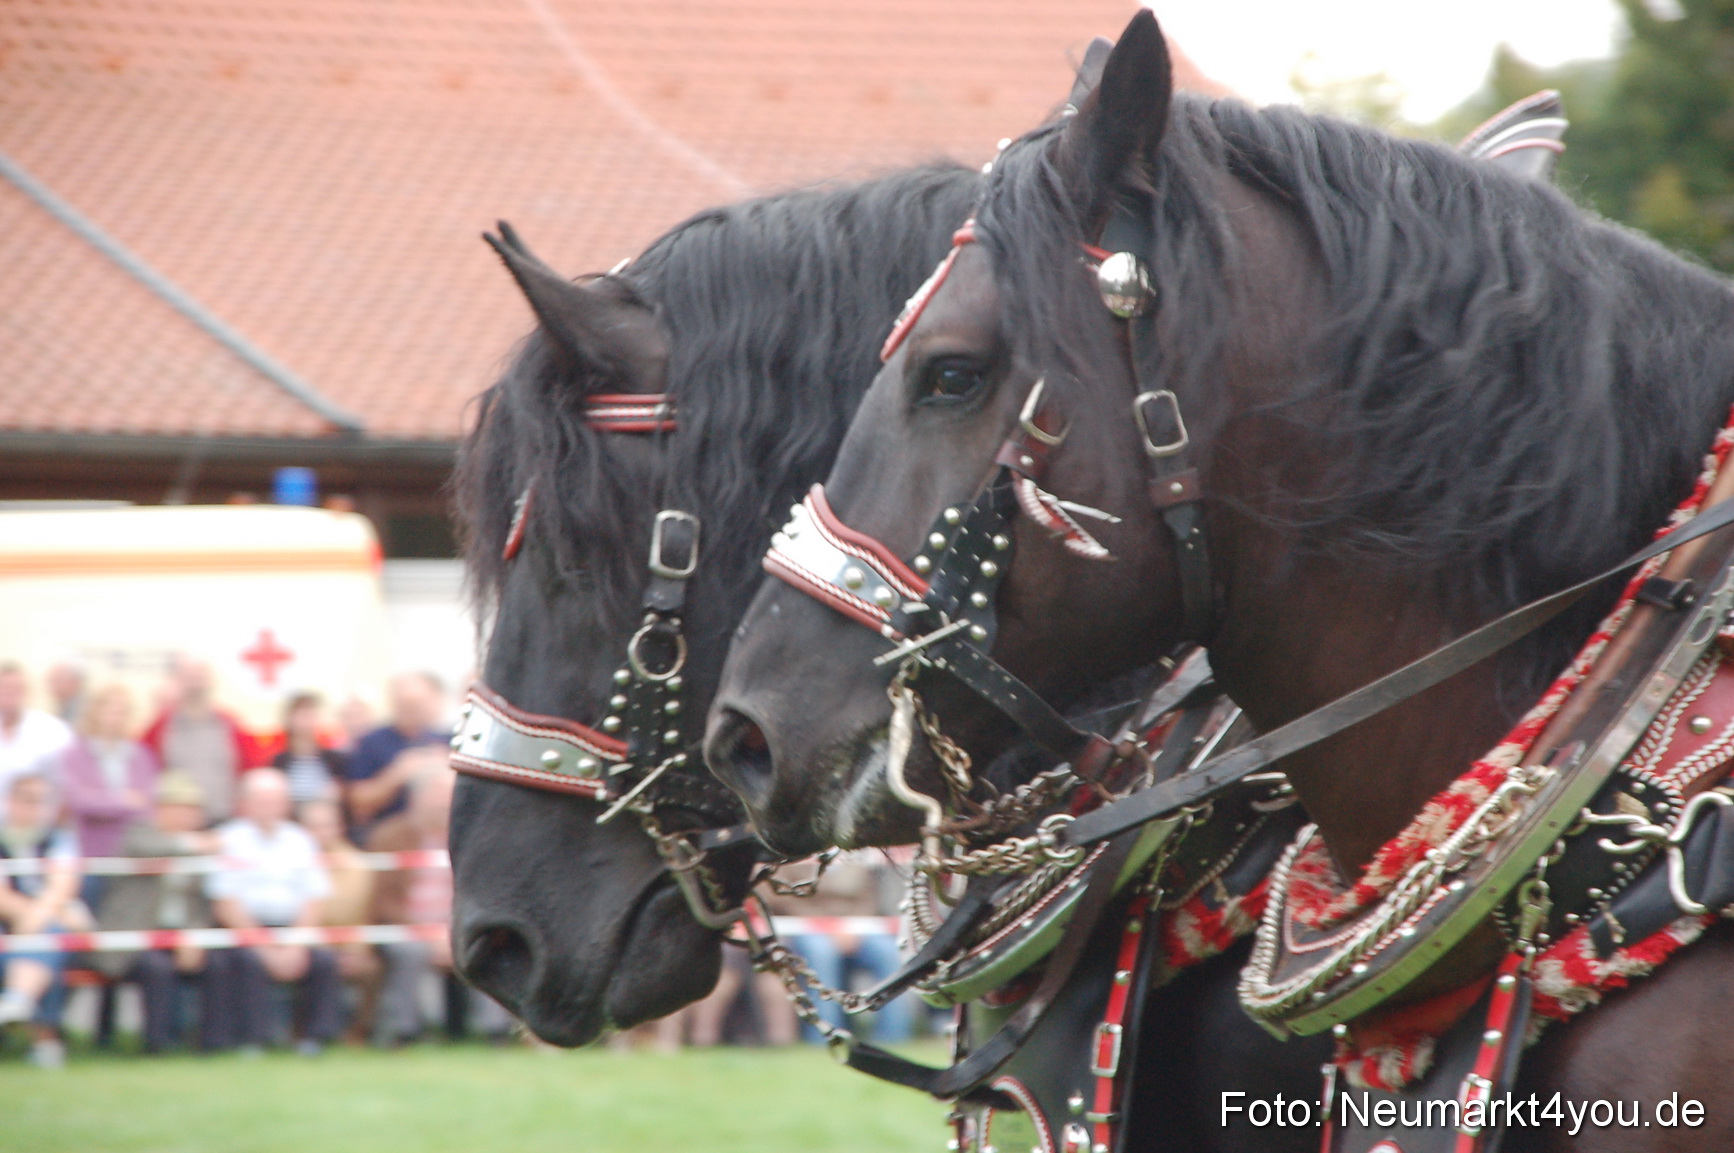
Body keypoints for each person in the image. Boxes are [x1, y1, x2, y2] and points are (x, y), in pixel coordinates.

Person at [367, 752, 508, 1045]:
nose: (444, 805)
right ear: (417, 798)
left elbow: (483, 892)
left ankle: (496, 1031)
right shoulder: (389, 836)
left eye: (448, 797)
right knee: (410, 952)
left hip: (461, 925)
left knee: (487, 945)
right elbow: (384, 902)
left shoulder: (473, 836)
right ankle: (404, 1030)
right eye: (436, 797)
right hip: (409, 928)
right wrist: (428, 934)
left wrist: (456, 931)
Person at [203, 769, 341, 1053]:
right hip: (243, 930)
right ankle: (253, 1039)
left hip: (292, 928)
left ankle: (313, 1038)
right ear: (245, 803)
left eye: (275, 801)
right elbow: (225, 902)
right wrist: (264, 947)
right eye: (261, 801)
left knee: (323, 960)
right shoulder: (228, 839)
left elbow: (315, 897)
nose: (269, 808)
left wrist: (296, 944)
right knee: (247, 962)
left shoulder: (300, 840)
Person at [90, 772, 220, 1052]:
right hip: (136, 934)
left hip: (179, 934)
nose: (189, 816)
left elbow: (200, 902)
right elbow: (148, 850)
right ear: (161, 808)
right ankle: (158, 1043)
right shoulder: (139, 833)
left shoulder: (198, 847)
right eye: (182, 808)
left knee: (218, 962)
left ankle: (212, 1041)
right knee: (156, 968)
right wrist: (193, 844)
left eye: (194, 810)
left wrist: (194, 936)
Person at [0, 772, 84, 1067]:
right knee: (44, 945)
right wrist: (29, 916)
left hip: (46, 922)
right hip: (11, 922)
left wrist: (37, 916)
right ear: (10, 800)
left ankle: (18, 1002)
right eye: (28, 799)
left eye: (42, 800)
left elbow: (63, 885)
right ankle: (43, 1039)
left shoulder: (58, 839)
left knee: (48, 941)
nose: (35, 807)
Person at [296, 793, 380, 1040]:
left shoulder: (359, 865)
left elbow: (361, 913)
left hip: (349, 944)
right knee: (321, 962)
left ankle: (360, 1032)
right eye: (313, 826)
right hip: (306, 943)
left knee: (373, 967)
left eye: (327, 825)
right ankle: (306, 1033)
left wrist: (357, 950)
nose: (321, 833)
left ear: (340, 827)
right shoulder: (289, 860)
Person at [141, 657, 258, 825]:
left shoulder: (230, 724)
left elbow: (250, 770)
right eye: (189, 677)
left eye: (200, 677)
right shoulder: (161, 727)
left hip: (224, 820)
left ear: (211, 681)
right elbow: (144, 769)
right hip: (179, 824)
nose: (195, 684)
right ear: (178, 681)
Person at [56, 684, 160, 868]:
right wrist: (122, 801)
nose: (115, 718)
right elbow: (80, 801)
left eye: (121, 712)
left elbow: (146, 803)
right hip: (91, 850)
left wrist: (104, 803)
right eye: (109, 710)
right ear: (94, 712)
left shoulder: (141, 755)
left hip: (133, 851)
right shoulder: (75, 754)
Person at [344, 673, 448, 833]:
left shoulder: (448, 740)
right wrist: (398, 773)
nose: (411, 710)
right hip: (389, 833)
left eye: (416, 703)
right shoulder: (372, 742)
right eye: (404, 703)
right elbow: (358, 801)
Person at [0, 663, 73, 799]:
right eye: (3, 687)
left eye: (15, 688)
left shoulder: (53, 729)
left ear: (27, 691)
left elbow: (68, 778)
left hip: (39, 809)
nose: (8, 693)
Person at [271, 694, 348, 807]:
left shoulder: (335, 759)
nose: (306, 721)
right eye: (301, 715)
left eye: (310, 715)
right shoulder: (278, 761)